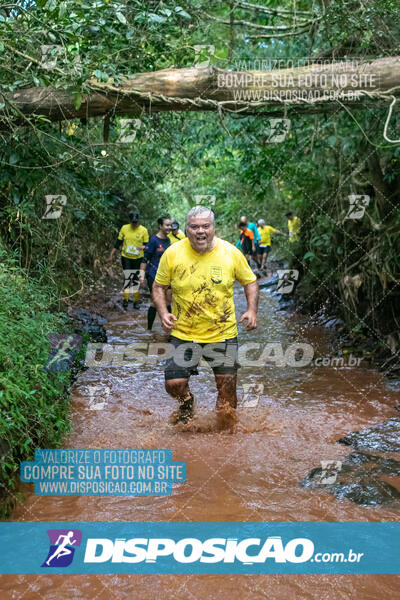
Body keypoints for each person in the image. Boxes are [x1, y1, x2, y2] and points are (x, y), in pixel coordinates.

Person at [153, 206, 258, 429]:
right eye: (194, 226)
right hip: (184, 333)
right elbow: (158, 286)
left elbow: (250, 282)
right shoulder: (172, 253)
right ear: (186, 229)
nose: (200, 231)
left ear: (213, 228)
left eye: (205, 226)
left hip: (222, 332)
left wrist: (251, 311)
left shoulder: (230, 252)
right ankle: (187, 404)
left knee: (227, 394)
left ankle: (224, 441)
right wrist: (163, 313)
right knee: (174, 383)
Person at [108, 210, 149, 309]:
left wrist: (143, 248)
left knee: (135, 279)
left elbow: (147, 246)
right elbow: (118, 242)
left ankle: (136, 301)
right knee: (127, 277)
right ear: (130, 221)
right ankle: (125, 300)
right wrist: (111, 255)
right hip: (126, 257)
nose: (134, 224)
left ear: (138, 221)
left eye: (136, 222)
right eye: (133, 222)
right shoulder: (124, 228)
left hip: (138, 258)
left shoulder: (143, 230)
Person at [140, 216, 172, 330]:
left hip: (166, 276)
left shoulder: (168, 240)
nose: (170, 227)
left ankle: (169, 329)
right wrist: (141, 276)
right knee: (155, 302)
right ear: (160, 226)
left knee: (168, 301)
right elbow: (145, 258)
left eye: (170, 225)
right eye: (167, 225)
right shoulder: (153, 240)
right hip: (153, 274)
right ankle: (149, 330)